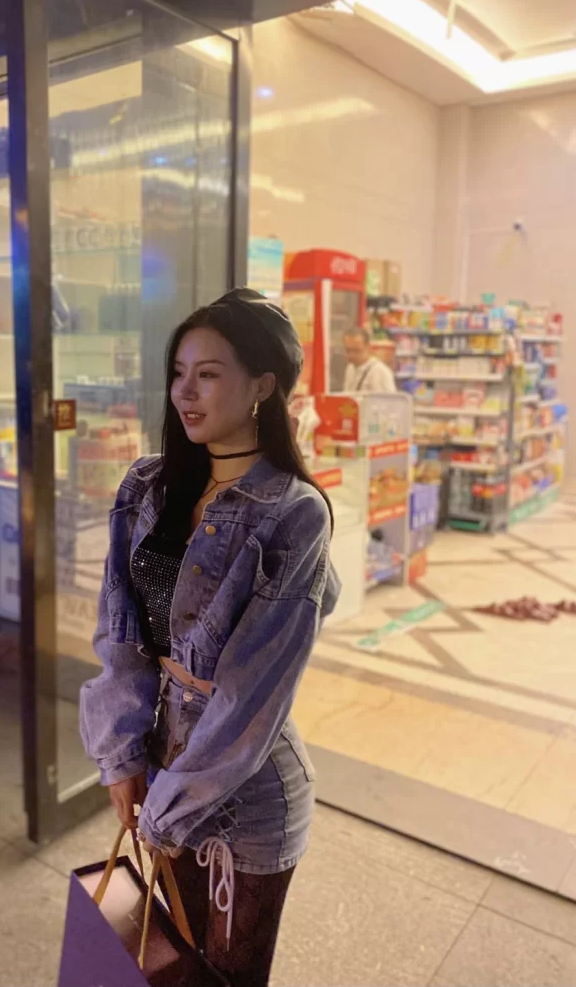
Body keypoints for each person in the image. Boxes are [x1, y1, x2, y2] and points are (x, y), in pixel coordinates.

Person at [80, 288, 340, 987]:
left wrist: (165, 810)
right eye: (178, 373)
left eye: (208, 374)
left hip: (248, 791)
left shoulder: (293, 513)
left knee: (227, 979)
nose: (185, 392)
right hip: (164, 767)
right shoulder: (148, 485)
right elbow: (120, 634)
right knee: (175, 963)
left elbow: (252, 696)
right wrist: (120, 754)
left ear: (262, 386)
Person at [342, 325, 397, 393]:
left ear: (368, 347)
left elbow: (387, 399)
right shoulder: (350, 368)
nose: (351, 355)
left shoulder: (379, 372)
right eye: (348, 350)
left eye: (356, 350)